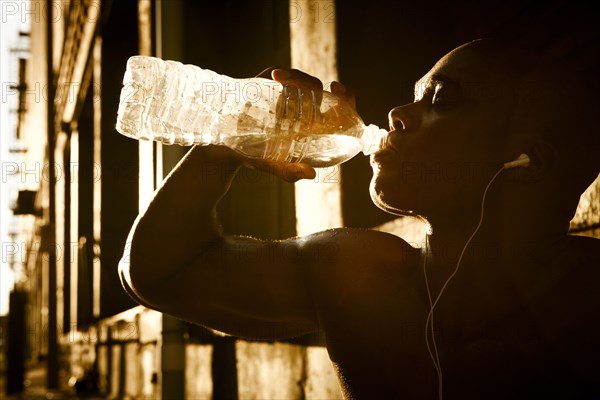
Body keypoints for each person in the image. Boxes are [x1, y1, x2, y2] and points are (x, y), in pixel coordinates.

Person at [119, 38, 600, 398]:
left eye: (441, 100)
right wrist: (230, 136)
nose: (395, 113)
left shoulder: (585, 301)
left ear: (529, 162)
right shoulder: (363, 277)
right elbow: (161, 273)